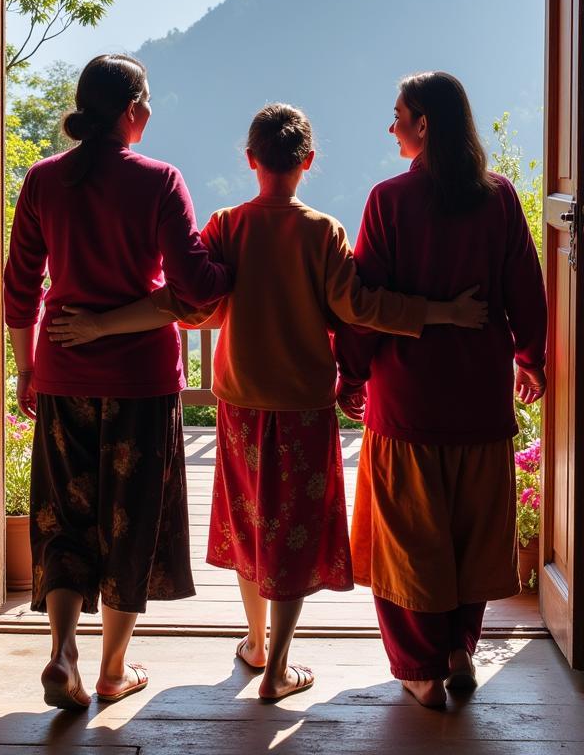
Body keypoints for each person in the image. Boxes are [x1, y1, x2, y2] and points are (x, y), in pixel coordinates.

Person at [48, 102, 489, 702]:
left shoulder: (228, 226)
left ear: (251, 160)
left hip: (239, 405)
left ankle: (255, 643)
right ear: (308, 162)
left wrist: (103, 323)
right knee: (294, 533)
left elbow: (193, 300)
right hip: (304, 406)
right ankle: (277, 663)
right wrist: (445, 312)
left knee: (250, 526)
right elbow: (362, 308)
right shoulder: (322, 231)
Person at [3, 54, 232, 710]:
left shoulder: (44, 180)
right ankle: (109, 670)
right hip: (140, 382)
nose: (152, 112)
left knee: (65, 520)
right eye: (148, 101)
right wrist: (233, 262)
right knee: (131, 522)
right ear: (132, 112)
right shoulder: (160, 182)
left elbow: (20, 291)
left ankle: (63, 652)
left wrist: (28, 367)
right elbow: (194, 288)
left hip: (63, 374)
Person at [335, 71, 548, 709]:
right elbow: (526, 286)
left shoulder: (389, 201)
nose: (391, 125)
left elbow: (365, 302)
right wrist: (529, 356)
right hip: (480, 397)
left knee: (409, 541)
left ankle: (422, 670)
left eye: (398, 114)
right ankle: (460, 648)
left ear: (424, 124)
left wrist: (351, 373)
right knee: (471, 530)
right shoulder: (499, 196)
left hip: (409, 403)